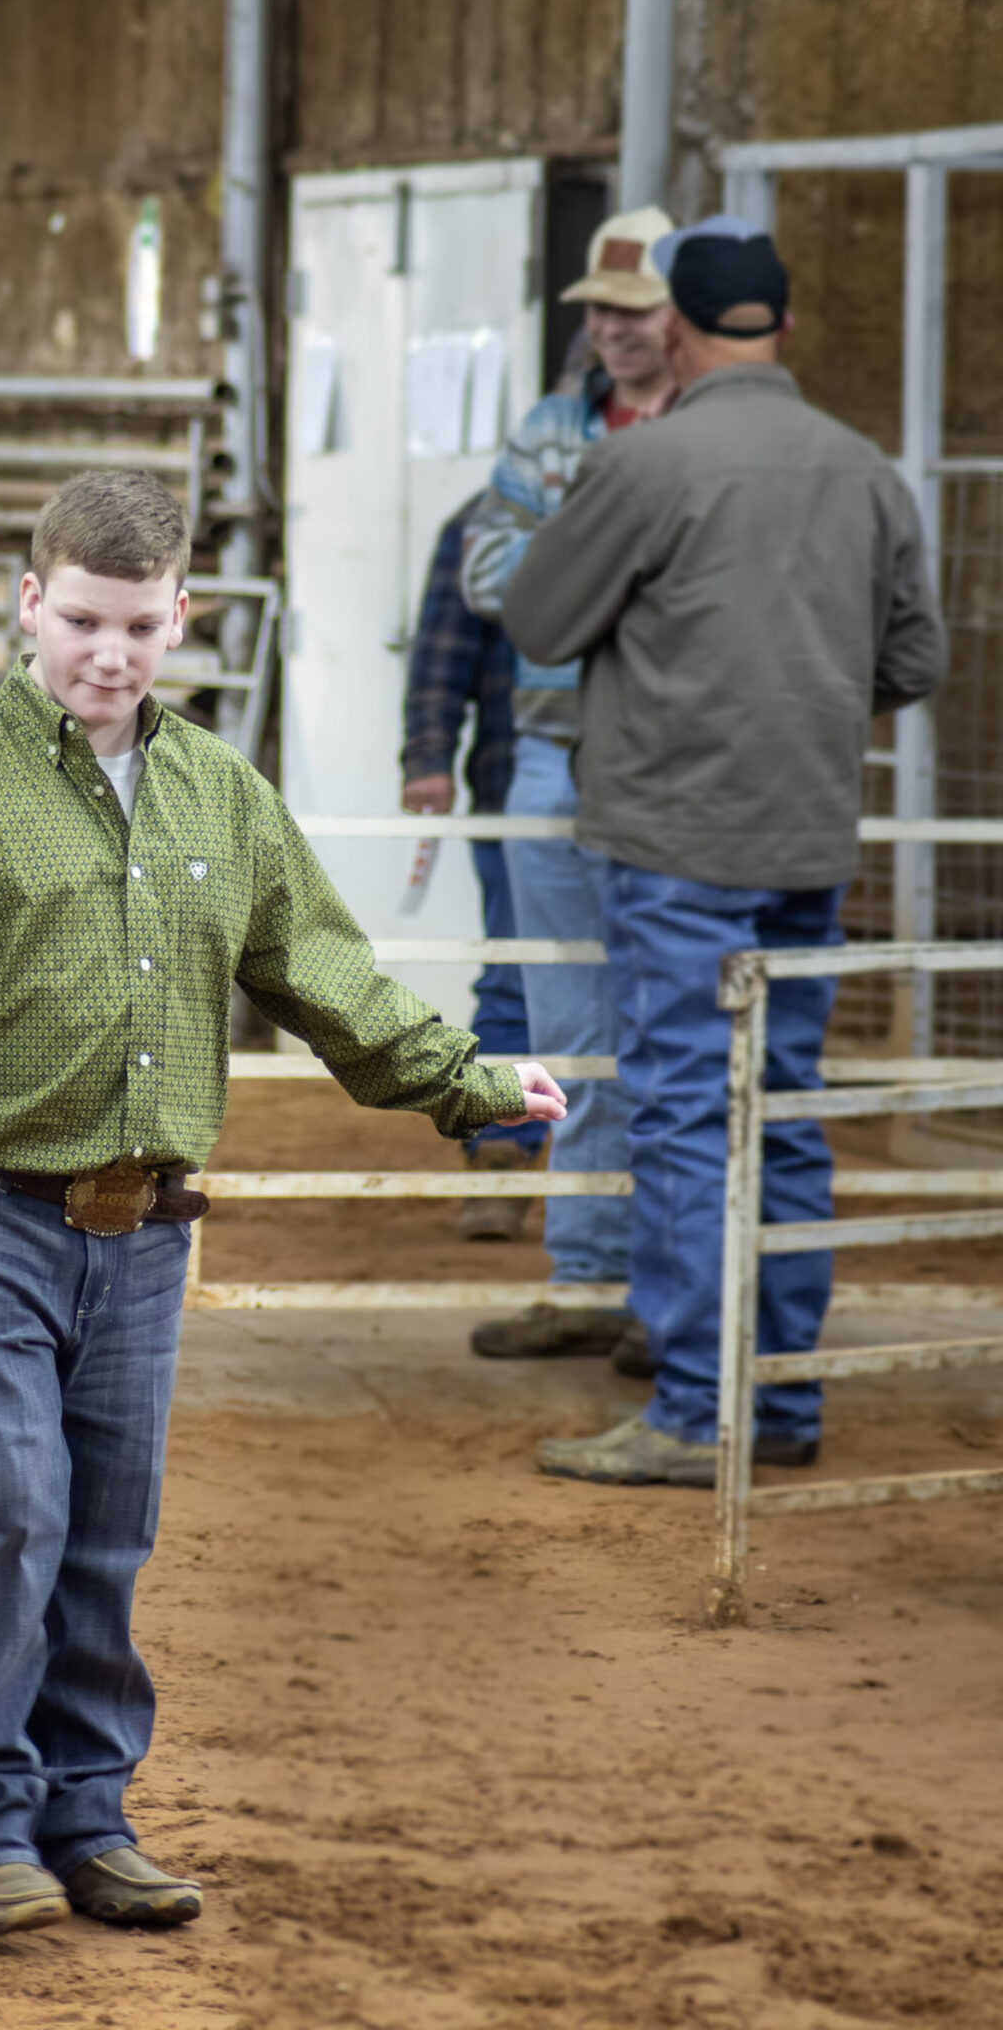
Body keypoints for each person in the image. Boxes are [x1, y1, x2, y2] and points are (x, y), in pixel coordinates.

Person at [0, 469, 565, 1936]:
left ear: (179, 617)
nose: (105, 656)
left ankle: (88, 1809)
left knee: (110, 1531)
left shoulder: (221, 796)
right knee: (5, 1511)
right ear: (24, 604)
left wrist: (467, 1082)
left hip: (147, 1228)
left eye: (137, 626)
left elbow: (324, 974)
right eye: (79, 623)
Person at [504, 217, 945, 1487]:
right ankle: (784, 1394)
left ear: (681, 330)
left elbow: (537, 614)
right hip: (805, 838)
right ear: (785, 327)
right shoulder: (863, 469)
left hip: (673, 841)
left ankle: (698, 1409)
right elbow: (913, 660)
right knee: (786, 1117)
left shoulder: (651, 465)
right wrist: (792, 695)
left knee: (689, 1116)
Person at [458, 206, 677, 1365]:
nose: (609, 327)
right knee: (572, 1028)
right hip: (554, 750)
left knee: (671, 1027)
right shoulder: (552, 422)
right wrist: (632, 588)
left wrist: (572, 571)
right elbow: (487, 569)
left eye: (631, 310)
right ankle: (592, 1273)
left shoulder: (681, 429)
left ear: (675, 317)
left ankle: (663, 1288)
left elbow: (533, 579)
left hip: (666, 758)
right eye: (597, 308)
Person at [400, 496, 551, 1240]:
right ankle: (499, 1151)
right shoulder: (489, 518)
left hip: (643, 795)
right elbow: (443, 643)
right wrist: (428, 754)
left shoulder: (663, 498)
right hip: (517, 785)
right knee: (516, 970)